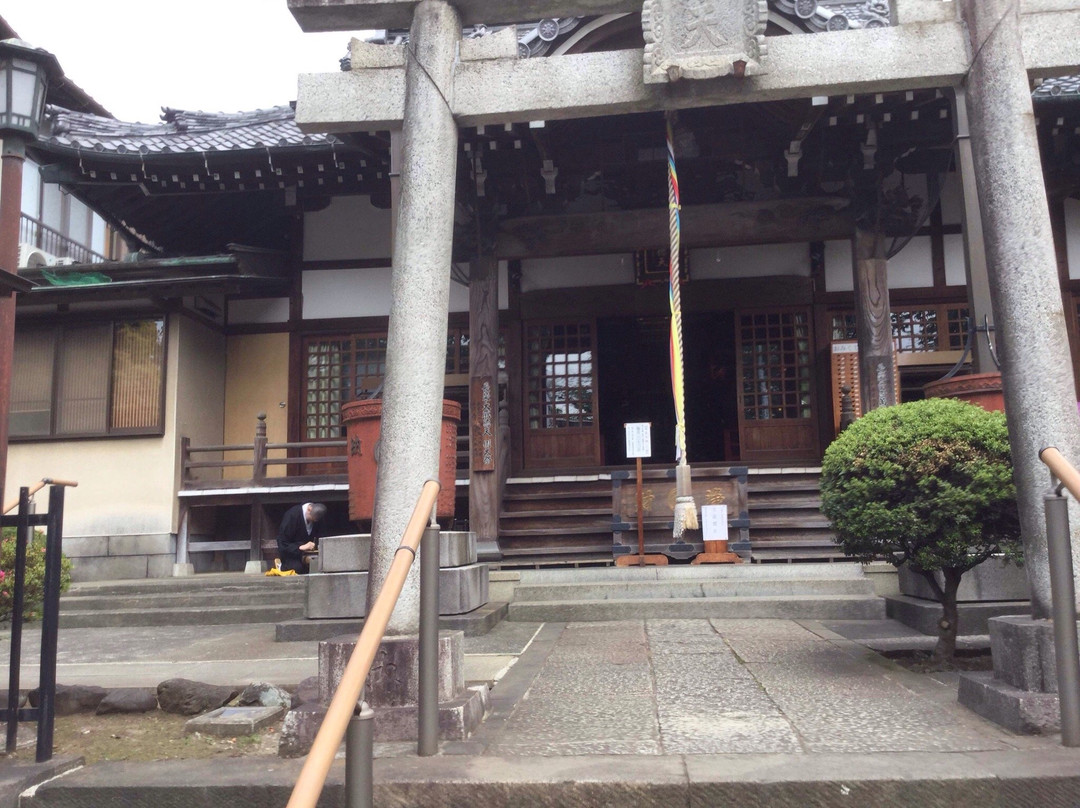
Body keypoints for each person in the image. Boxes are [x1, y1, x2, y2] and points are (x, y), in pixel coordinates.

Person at [276, 502, 327, 574]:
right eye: (312, 519)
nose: (313, 522)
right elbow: (282, 543)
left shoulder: (318, 519)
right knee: (298, 569)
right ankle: (281, 566)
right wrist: (300, 547)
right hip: (292, 554)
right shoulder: (292, 516)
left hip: (309, 553)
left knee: (319, 567)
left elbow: (321, 535)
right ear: (309, 509)